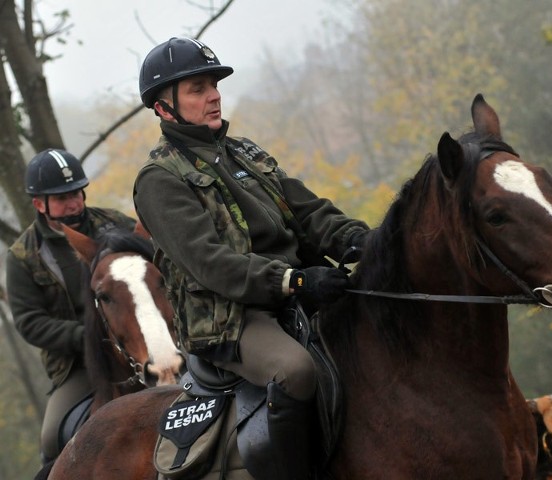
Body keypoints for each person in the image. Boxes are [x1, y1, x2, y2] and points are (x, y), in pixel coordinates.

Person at [134, 37, 369, 479]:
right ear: (164, 108)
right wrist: (294, 281)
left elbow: (308, 210)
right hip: (230, 316)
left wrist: (358, 238)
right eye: (198, 88)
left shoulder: (245, 152)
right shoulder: (159, 180)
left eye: (215, 85)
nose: (214, 95)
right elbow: (211, 263)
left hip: (294, 289)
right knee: (295, 370)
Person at [6, 149, 137, 463]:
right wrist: (89, 336)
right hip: (79, 363)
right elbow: (29, 322)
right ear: (40, 204)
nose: (75, 203)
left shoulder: (118, 224)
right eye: (63, 198)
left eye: (77, 193)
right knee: (52, 439)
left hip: (137, 338)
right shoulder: (22, 256)